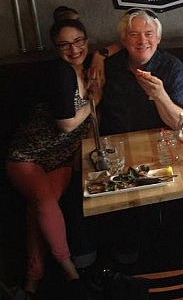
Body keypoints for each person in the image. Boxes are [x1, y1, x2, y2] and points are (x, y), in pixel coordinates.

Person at [6, 19, 102, 297]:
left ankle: (32, 282)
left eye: (79, 41)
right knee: (46, 203)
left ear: (87, 39)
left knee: (39, 211)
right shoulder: (60, 73)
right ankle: (71, 272)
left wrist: (102, 56)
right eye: (65, 44)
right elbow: (67, 123)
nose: (74, 49)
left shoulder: (84, 70)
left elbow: (92, 119)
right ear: (55, 47)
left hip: (61, 159)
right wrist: (93, 101)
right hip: (28, 156)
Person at [99, 8, 183, 264]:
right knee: (125, 217)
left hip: (162, 149)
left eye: (149, 34)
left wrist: (160, 95)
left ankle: (168, 257)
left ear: (158, 39)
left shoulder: (172, 67)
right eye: (134, 35)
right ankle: (129, 262)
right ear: (124, 41)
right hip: (119, 152)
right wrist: (98, 56)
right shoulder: (111, 67)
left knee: (172, 208)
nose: (142, 40)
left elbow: (179, 124)